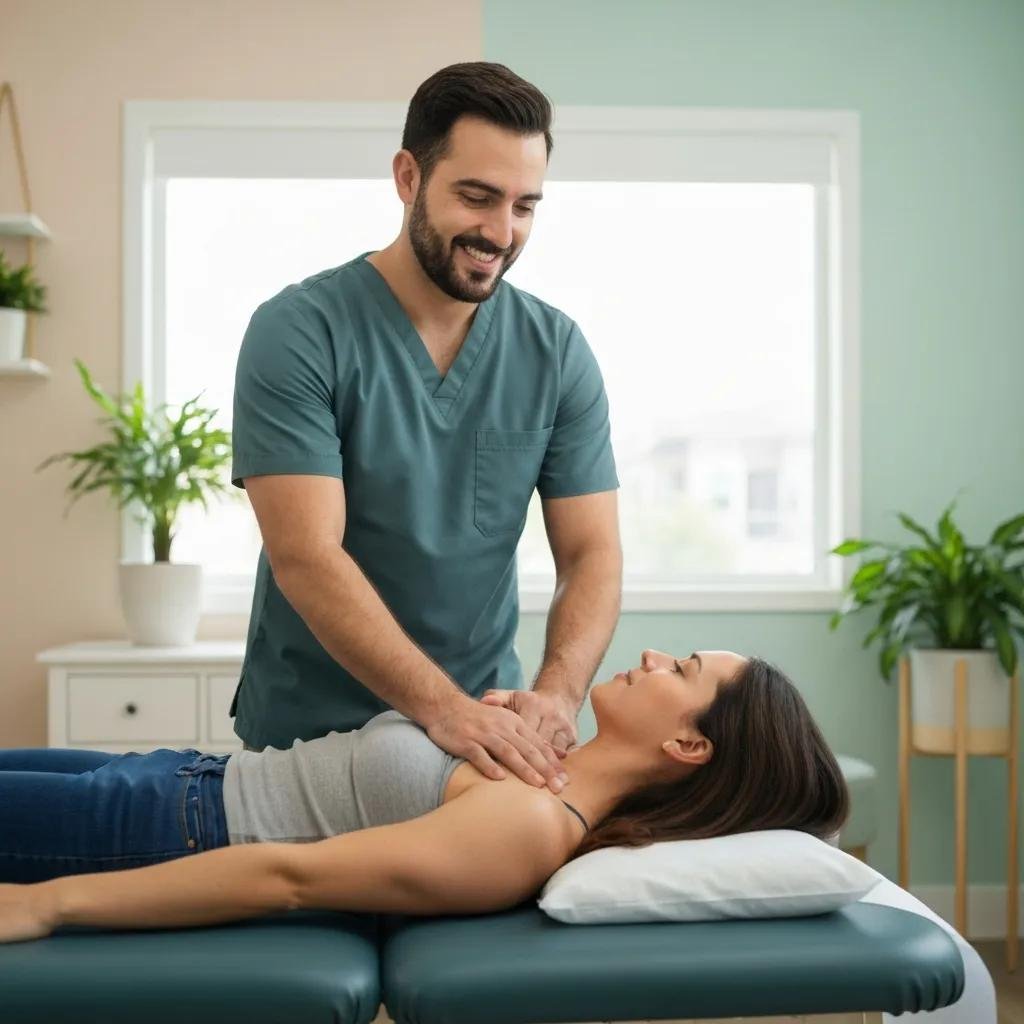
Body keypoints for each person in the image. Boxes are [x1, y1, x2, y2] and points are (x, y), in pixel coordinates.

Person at [227, 61, 622, 798]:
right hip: (308, 737)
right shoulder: (299, 331)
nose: (500, 232)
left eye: (525, 206)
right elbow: (306, 555)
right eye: (476, 197)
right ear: (408, 176)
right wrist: (441, 709)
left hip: (478, 746)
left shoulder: (556, 350)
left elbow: (592, 551)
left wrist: (557, 698)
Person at [0, 650, 849, 944]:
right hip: (181, 776)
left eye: (683, 670)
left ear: (689, 745)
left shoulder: (527, 825)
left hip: (160, 826)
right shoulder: (539, 765)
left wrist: (49, 906)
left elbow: (286, 877)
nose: (656, 656)